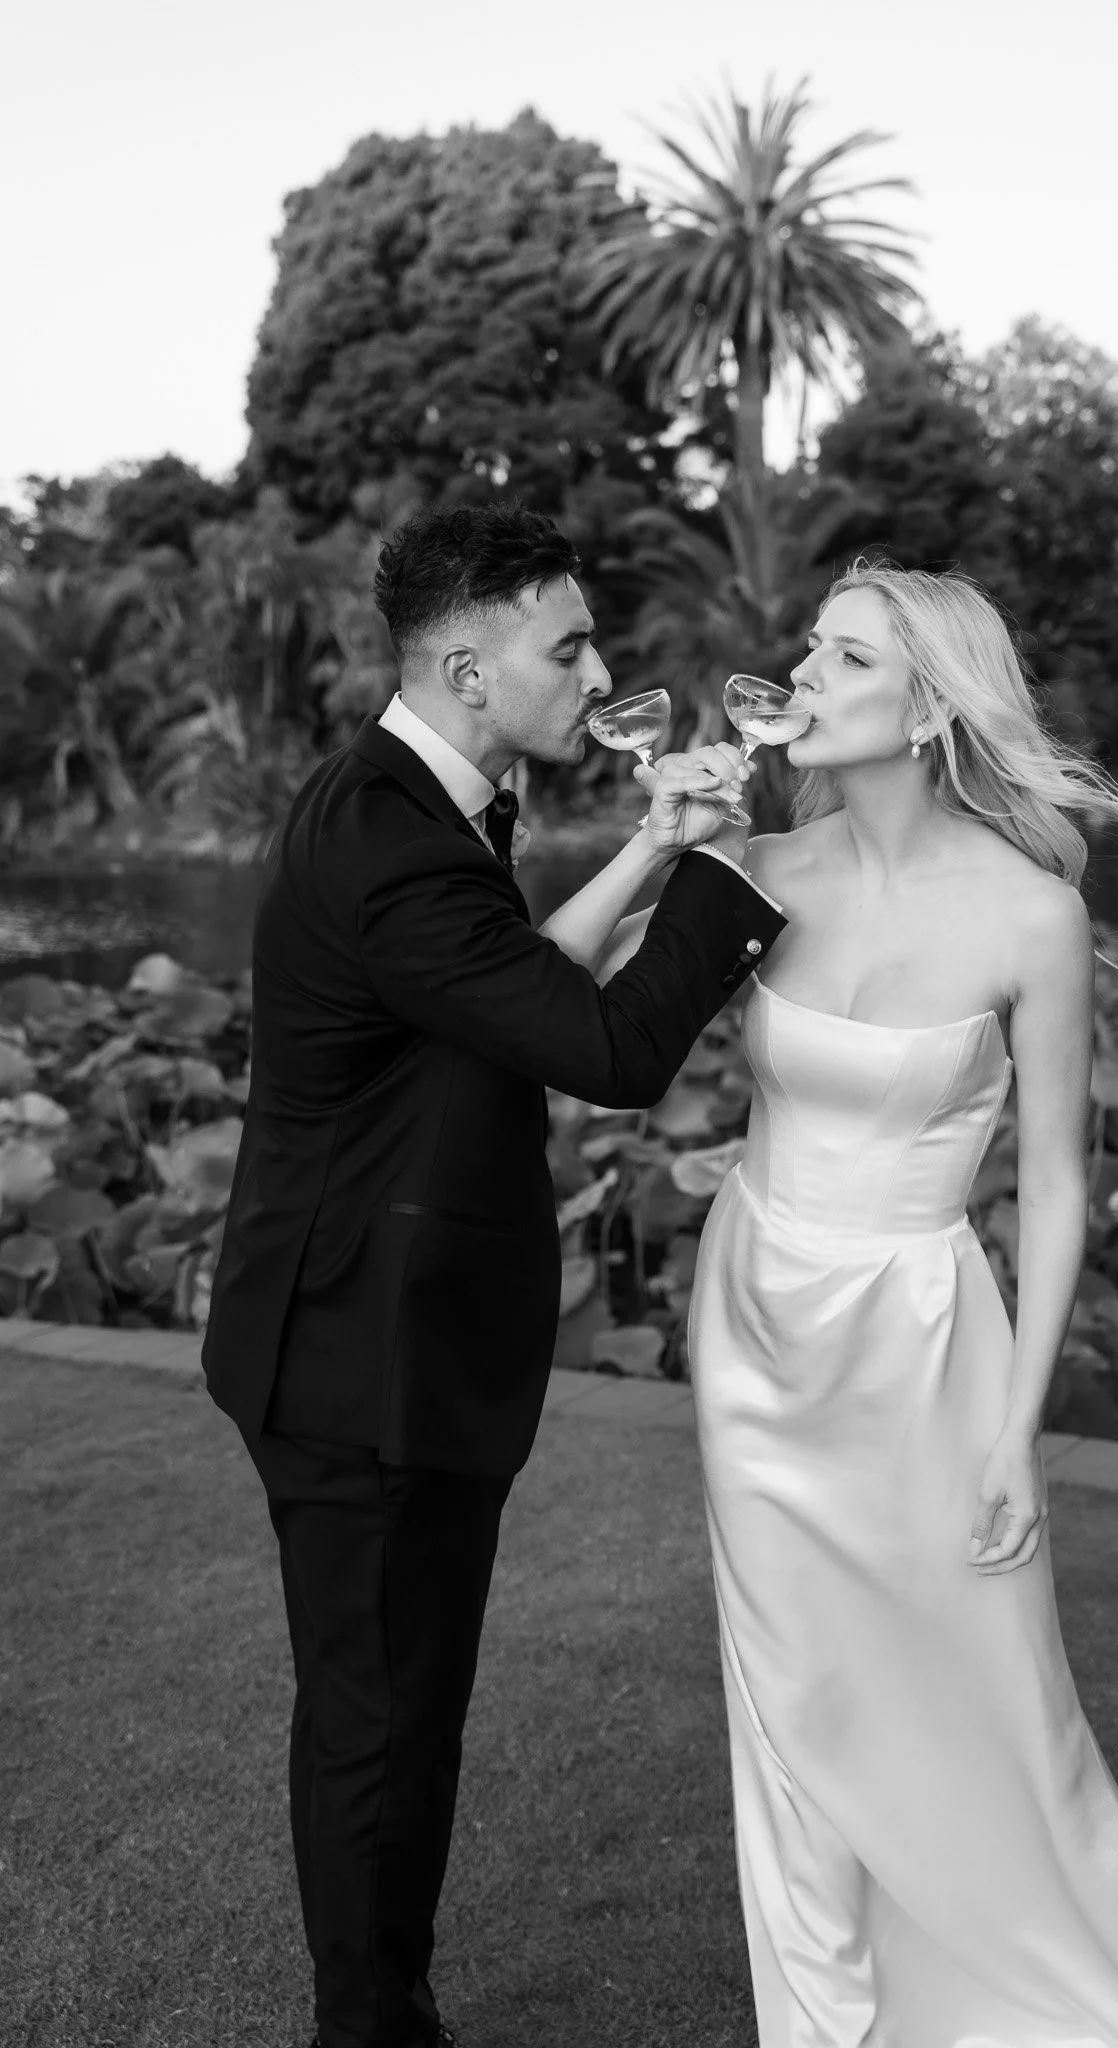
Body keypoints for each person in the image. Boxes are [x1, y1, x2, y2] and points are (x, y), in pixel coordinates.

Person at [600, 559, 1118, 2048]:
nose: (798, 679)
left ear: (930, 707)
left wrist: (1018, 1435)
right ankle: (822, 2016)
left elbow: (1059, 1186)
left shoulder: (1030, 916)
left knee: (982, 1676)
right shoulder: (751, 871)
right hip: (756, 1321)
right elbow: (574, 1016)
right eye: (808, 650)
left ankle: (1049, 1940)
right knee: (790, 1677)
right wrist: (654, 844)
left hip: (925, 1333)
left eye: (844, 660)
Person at [202, 500, 786, 2048]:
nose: (599, 670)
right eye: (570, 643)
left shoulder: (407, 797)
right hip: (362, 1356)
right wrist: (725, 867)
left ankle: (377, 2006)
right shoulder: (394, 842)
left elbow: (511, 981)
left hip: (360, 1327)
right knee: (384, 1726)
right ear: (470, 669)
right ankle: (373, 2026)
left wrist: (657, 844)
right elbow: (598, 1047)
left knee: (384, 1712)